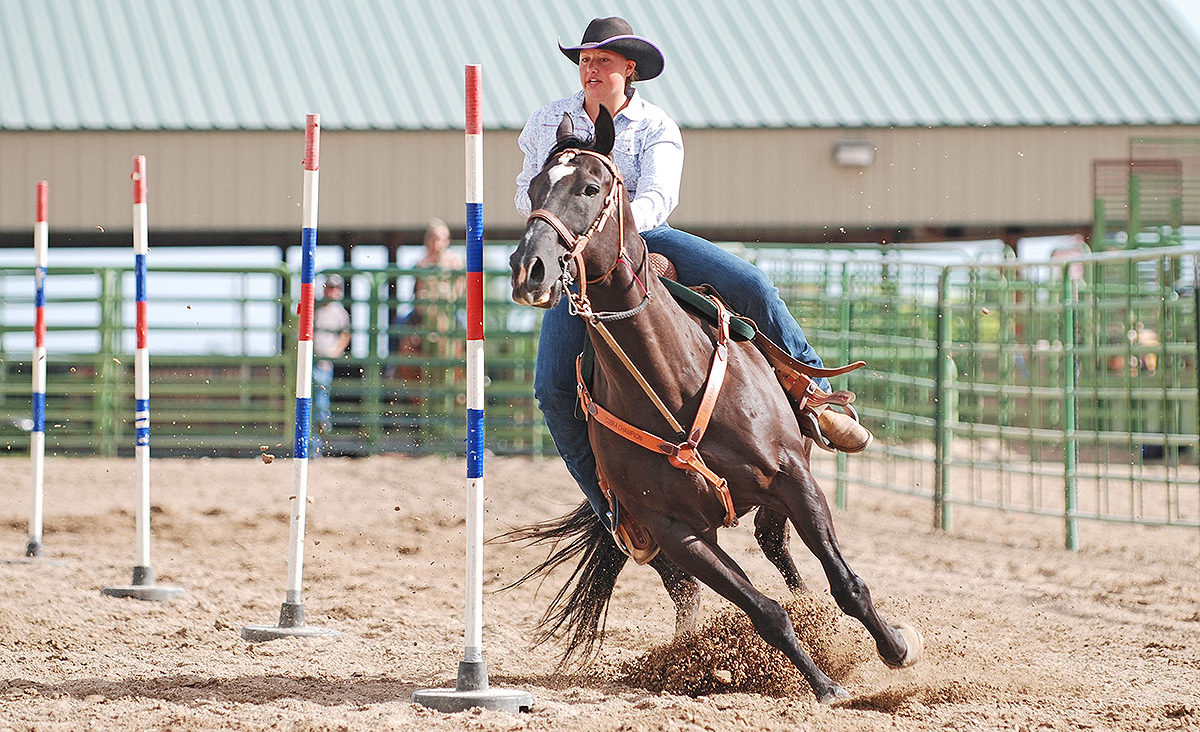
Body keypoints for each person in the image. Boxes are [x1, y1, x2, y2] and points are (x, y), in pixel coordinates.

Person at [515, 17, 872, 528]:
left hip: (645, 235)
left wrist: (616, 230)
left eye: (603, 60)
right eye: (585, 60)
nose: (590, 68)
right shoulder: (548, 120)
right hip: (578, 252)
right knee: (552, 388)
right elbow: (527, 187)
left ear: (628, 68)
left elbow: (659, 197)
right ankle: (614, 508)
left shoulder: (656, 126)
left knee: (754, 286)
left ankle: (812, 392)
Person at [312, 274, 351, 455]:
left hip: (323, 364)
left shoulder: (339, 312)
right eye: (329, 286)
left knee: (319, 402)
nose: (331, 290)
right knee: (314, 401)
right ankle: (317, 444)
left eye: (335, 287)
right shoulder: (316, 309)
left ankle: (318, 444)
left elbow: (345, 334)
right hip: (313, 361)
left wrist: (335, 351)